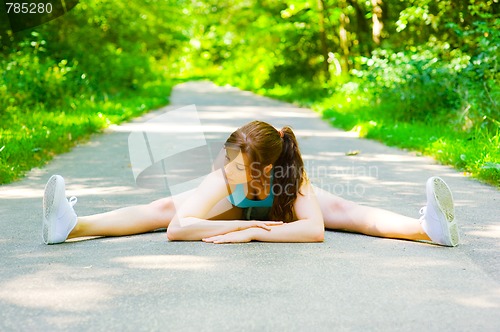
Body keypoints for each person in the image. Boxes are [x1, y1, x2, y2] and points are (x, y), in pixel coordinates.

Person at [41, 120, 459, 246]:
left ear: (268, 169)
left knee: (346, 213)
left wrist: (255, 235)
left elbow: (313, 230)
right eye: (231, 163)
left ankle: (428, 229)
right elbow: (178, 228)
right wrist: (241, 227)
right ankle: (71, 225)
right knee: (163, 209)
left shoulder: (289, 173)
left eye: (242, 167)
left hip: (271, 210)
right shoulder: (225, 175)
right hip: (237, 213)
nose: (231, 170)